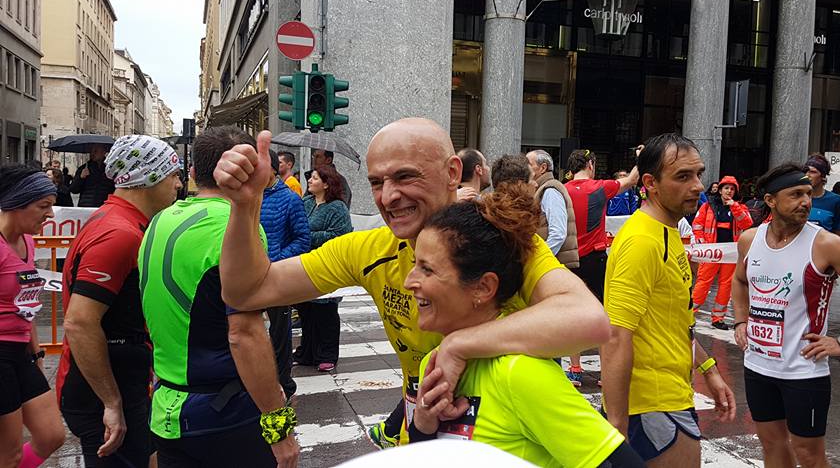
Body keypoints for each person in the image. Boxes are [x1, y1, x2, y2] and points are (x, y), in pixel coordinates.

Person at [211, 117, 609, 447]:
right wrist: (246, 207)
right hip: (422, 439)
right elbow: (248, 290)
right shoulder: (367, 249)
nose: (388, 196)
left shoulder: (497, 239)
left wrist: (459, 345)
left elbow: (587, 320)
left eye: (405, 177)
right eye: (376, 182)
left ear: (453, 172)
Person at [408, 182, 644, 467]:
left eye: (427, 269)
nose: (410, 281)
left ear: (483, 288)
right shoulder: (434, 365)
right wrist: (423, 423)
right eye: (414, 264)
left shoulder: (519, 374)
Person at [139, 127, 299, 467]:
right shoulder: (236, 227)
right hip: (225, 413)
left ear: (195, 173)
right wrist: (278, 427)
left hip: (167, 406)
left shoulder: (160, 220)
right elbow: (245, 333)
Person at [731, 163, 840, 468]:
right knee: (771, 444)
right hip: (758, 367)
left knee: (808, 454)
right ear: (771, 201)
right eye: (796, 194)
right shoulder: (750, 240)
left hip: (803, 372)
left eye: (808, 193)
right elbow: (739, 280)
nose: (806, 201)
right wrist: (740, 320)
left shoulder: (826, 244)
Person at [601, 134, 736, 466]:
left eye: (699, 174)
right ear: (651, 183)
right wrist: (617, 425)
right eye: (683, 176)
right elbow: (616, 335)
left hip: (671, 396)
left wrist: (709, 370)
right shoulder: (641, 241)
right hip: (652, 406)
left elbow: (678, 318)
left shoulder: (669, 230)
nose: (698, 186)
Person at [57, 135, 182, 468]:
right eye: (173, 175)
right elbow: (80, 322)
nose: (179, 184)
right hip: (104, 388)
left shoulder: (120, 221)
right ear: (148, 178)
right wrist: (111, 402)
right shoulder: (119, 232)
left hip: (121, 377)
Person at [0, 165, 65, 468]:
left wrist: (36, 349)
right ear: (16, 203)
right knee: (8, 455)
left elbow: (27, 301)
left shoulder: (28, 241)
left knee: (51, 435)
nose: (50, 215)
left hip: (21, 351)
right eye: (43, 206)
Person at [563, 148, 639, 386]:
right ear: (590, 164)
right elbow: (632, 179)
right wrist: (640, 157)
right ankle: (607, 373)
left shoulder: (561, 191)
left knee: (572, 314)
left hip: (570, 259)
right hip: (596, 259)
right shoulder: (600, 187)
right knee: (608, 316)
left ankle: (574, 369)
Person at [261, 150, 311, 397]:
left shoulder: (290, 199)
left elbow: (303, 239)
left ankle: (284, 384)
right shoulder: (245, 199)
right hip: (247, 275)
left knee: (279, 333)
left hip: (276, 275)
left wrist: (276, 259)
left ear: (271, 169)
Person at [295, 164, 353, 373]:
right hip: (304, 263)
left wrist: (307, 237)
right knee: (306, 310)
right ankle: (307, 352)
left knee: (325, 311)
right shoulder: (307, 202)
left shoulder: (337, 207)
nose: (310, 180)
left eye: (315, 178)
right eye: (310, 177)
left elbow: (340, 235)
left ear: (327, 184)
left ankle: (327, 355)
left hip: (327, 265)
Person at [691, 175, 753, 329]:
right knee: (702, 282)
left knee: (726, 285)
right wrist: (702, 244)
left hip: (730, 253)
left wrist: (734, 206)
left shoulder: (741, 207)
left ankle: (718, 318)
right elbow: (697, 225)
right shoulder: (708, 206)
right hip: (712, 252)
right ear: (720, 190)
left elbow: (747, 223)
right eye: (726, 188)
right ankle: (689, 313)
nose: (729, 191)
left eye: (732, 189)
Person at [526, 150, 579, 269]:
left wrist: (539, 260)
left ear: (542, 168)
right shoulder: (544, 188)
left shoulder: (550, 190)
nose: (525, 168)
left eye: (529, 164)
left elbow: (558, 234)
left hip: (555, 265)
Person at [803, 154, 840, 237]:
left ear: (823, 176)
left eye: (813, 172)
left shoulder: (835, 200)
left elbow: (839, 232)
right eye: (806, 171)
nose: (807, 175)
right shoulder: (797, 198)